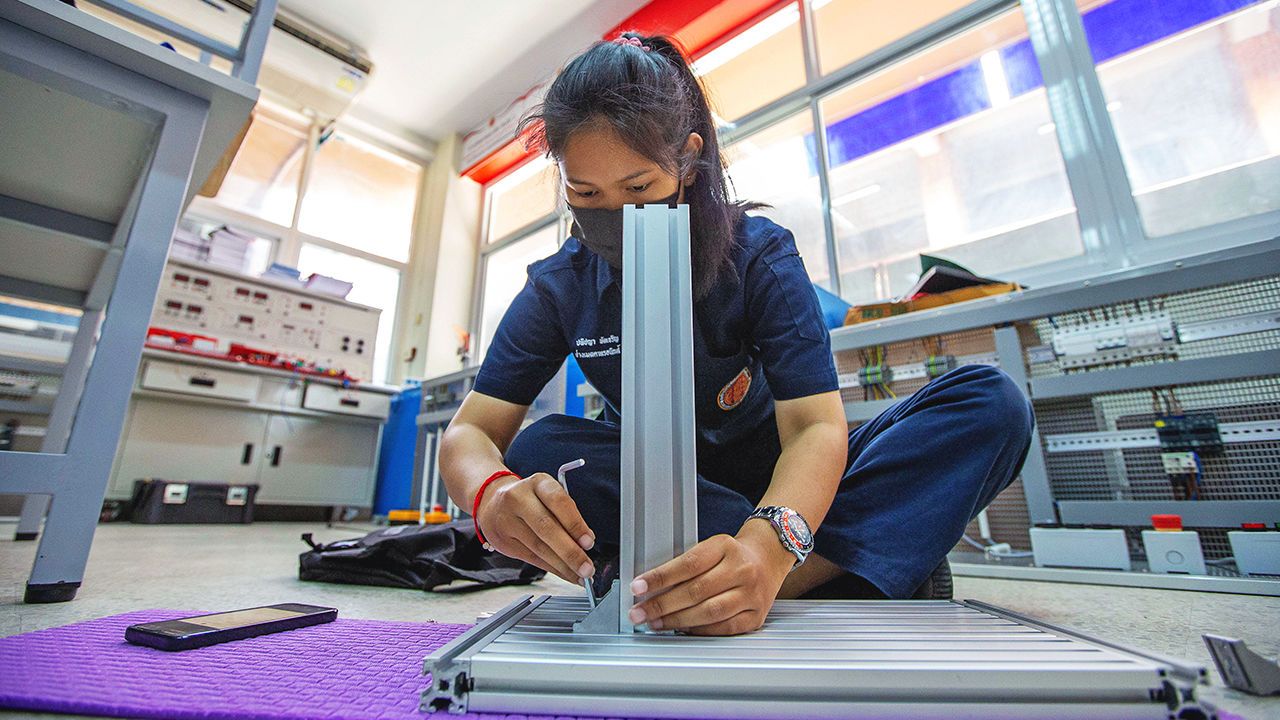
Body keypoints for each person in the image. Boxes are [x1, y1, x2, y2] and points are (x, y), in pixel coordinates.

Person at [439, 32, 1034, 637]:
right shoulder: (559, 285)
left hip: (781, 487)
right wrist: (489, 494)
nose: (611, 212)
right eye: (584, 192)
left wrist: (769, 546)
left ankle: (765, 578)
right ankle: (844, 571)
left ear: (688, 159)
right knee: (539, 454)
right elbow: (470, 431)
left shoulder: (758, 255)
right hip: (653, 491)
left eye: (639, 188)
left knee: (990, 404)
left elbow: (814, 428)